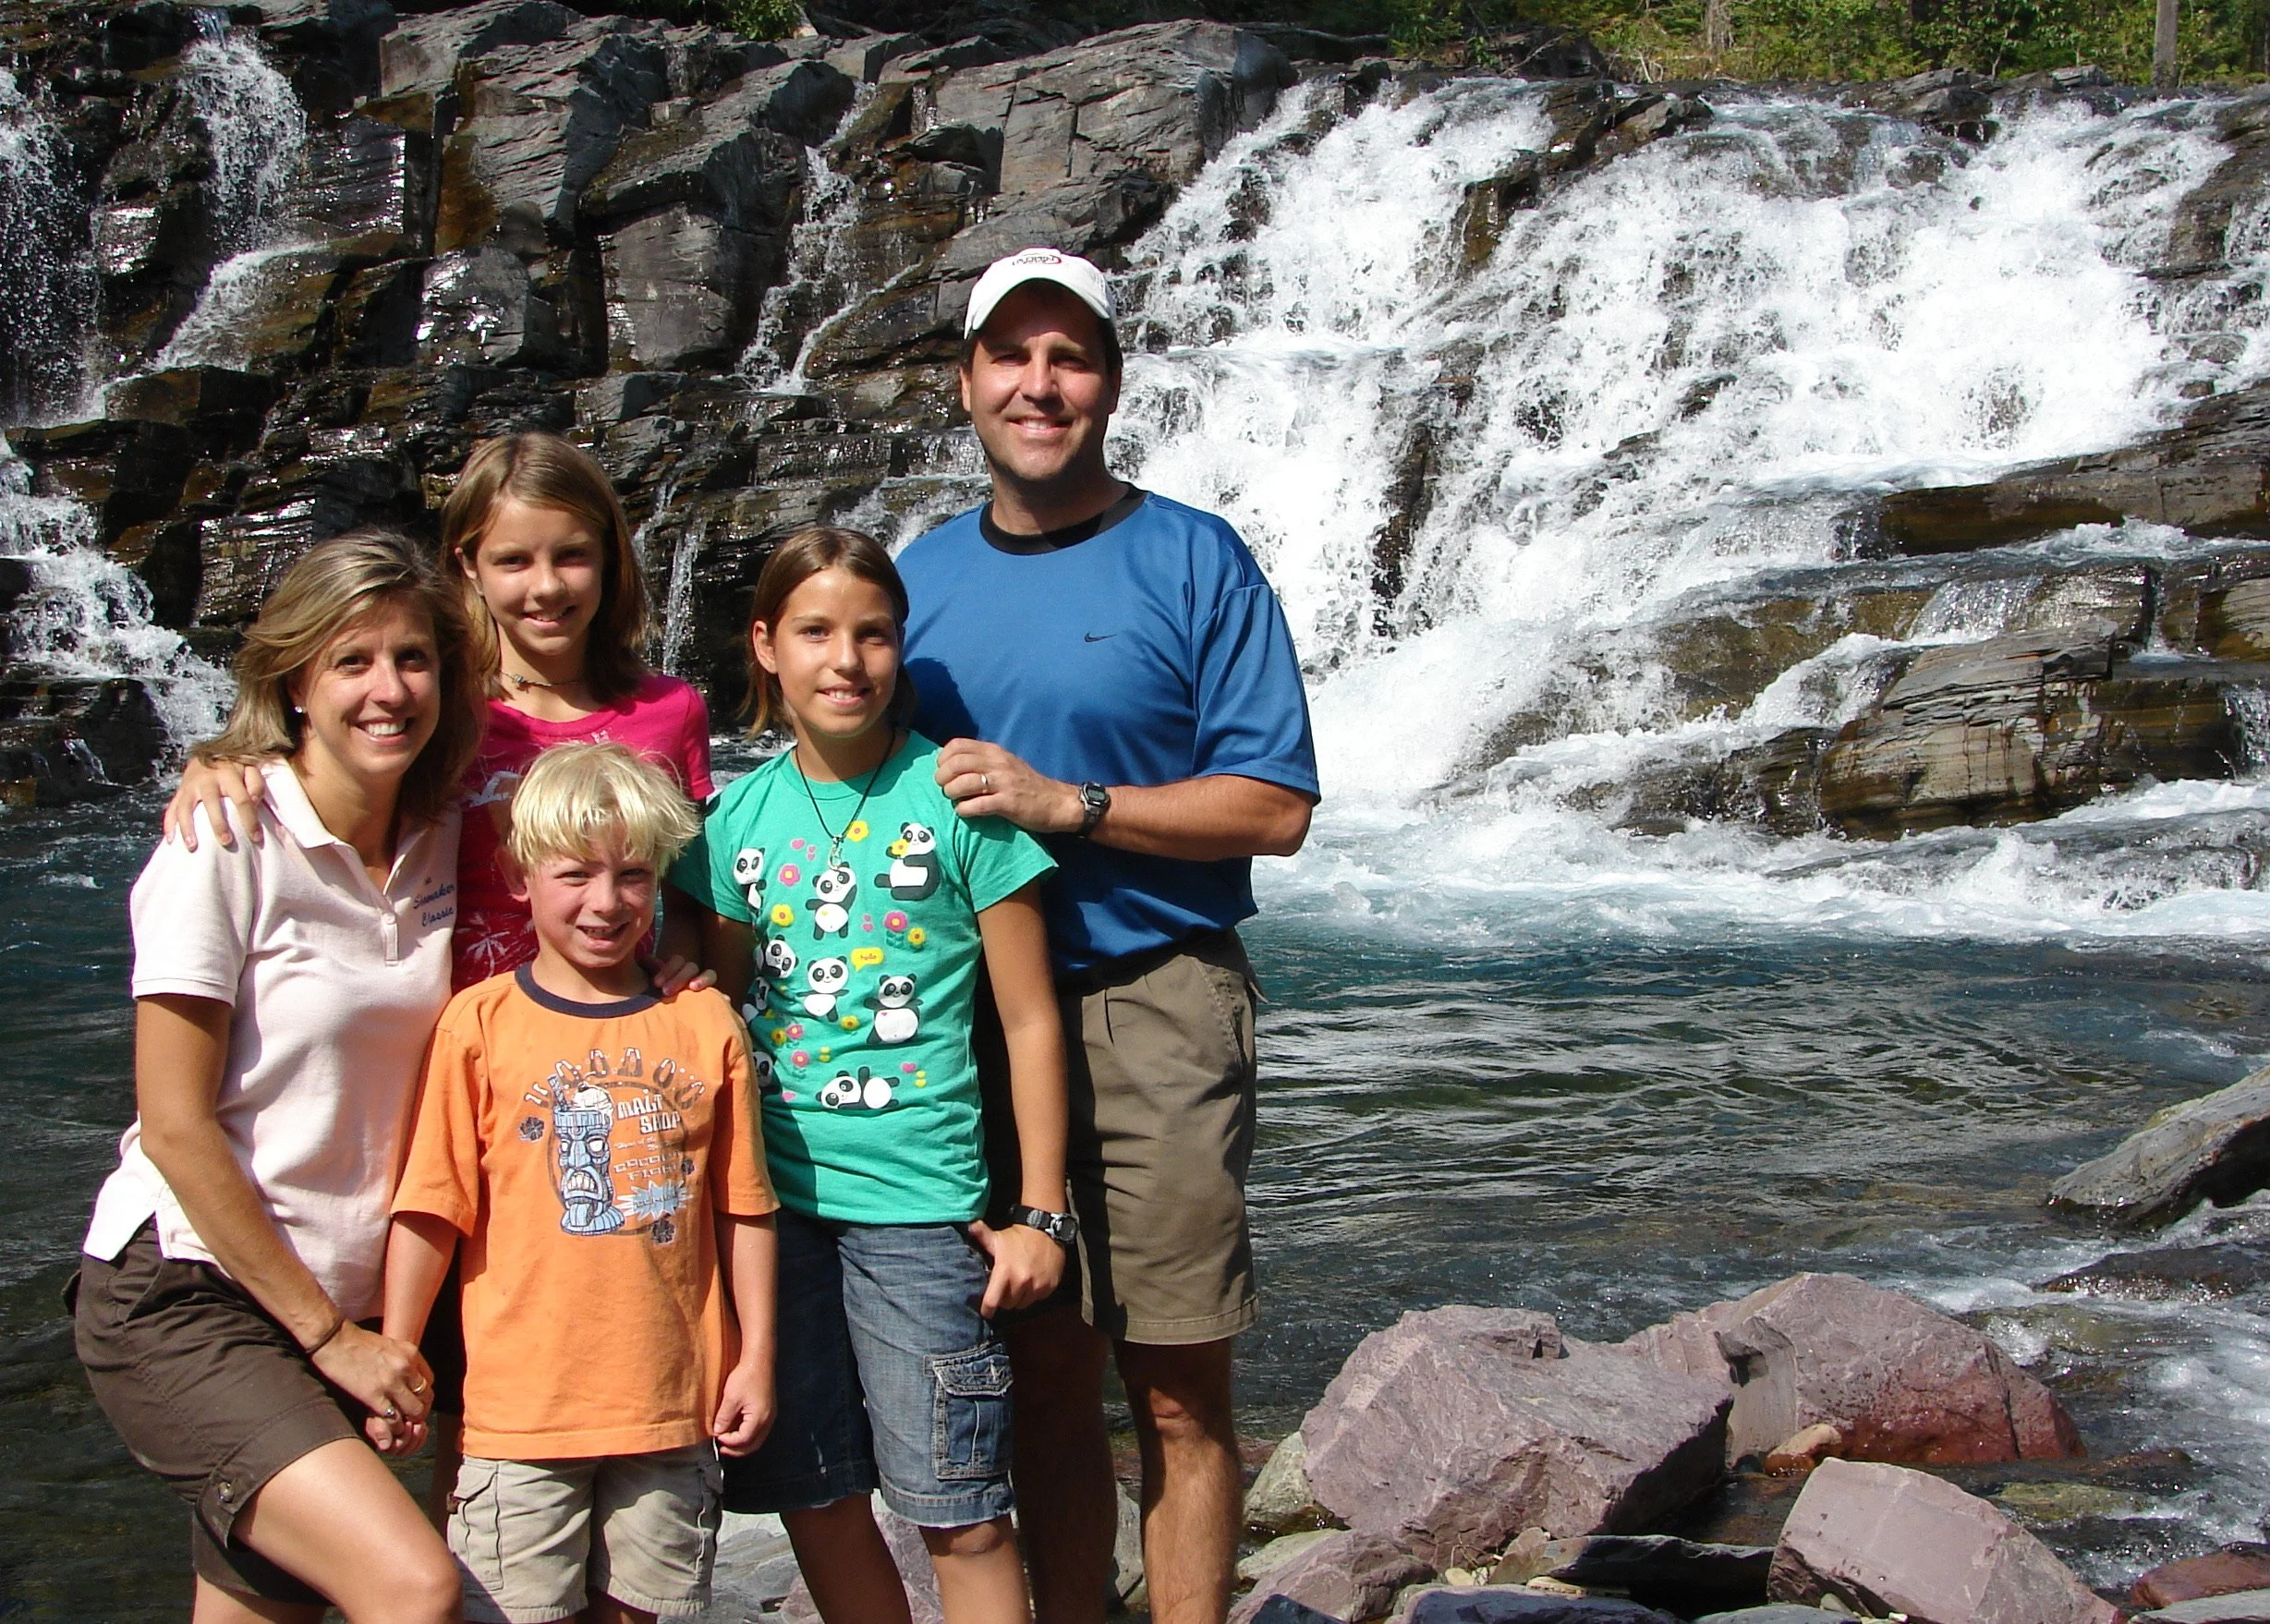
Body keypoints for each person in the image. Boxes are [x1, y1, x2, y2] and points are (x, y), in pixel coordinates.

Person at [165, 430, 721, 1517]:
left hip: (611, 1081)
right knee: (458, 1404)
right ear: (465, 565)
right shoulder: (441, 710)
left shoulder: (670, 713)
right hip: (454, 1088)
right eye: (513, 560)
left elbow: (685, 886)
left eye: (572, 555)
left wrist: (693, 952)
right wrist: (218, 754)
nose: (546, 586)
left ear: (612, 560)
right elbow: (322, 751)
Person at [895, 248, 1319, 1624]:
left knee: (1180, 1383)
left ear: (1112, 382)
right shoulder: (921, 578)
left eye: (1069, 356)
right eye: (1010, 355)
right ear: (965, 384)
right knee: (1041, 1376)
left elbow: (1273, 806)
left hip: (1156, 997)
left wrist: (1066, 803)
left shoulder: (1192, 557)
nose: (1039, 383)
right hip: (967, 1023)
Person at [72, 530, 486, 1623]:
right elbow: (174, 1127)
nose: (388, 690)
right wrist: (329, 1339)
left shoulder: (446, 837)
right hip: (192, 1292)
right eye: (352, 662)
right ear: (295, 681)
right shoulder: (224, 838)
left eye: (413, 659)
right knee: (413, 1584)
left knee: (262, 1611)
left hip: (340, 1296)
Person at [671, 526, 1073, 1624]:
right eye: (815, 633)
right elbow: (715, 1011)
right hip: (771, 1213)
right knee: (817, 1496)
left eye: (873, 634)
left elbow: (1031, 1022)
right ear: (764, 646)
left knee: (962, 1510)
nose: (845, 660)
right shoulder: (729, 824)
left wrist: (1042, 1210)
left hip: (920, 1209)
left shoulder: (958, 801)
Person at [380, 743, 779, 1624]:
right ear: (518, 875)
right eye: (574, 874)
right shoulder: (477, 1026)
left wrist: (756, 1358)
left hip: (673, 1411)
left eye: (634, 875)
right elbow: (432, 1206)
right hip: (519, 1417)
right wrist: (399, 1349)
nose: (606, 903)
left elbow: (744, 1207)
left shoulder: (704, 1020)